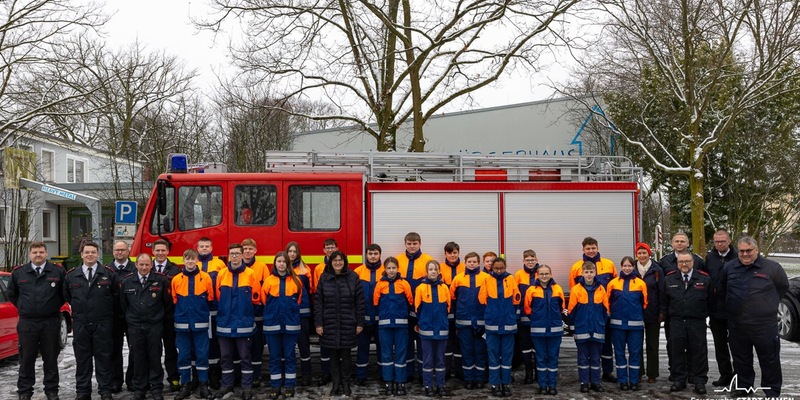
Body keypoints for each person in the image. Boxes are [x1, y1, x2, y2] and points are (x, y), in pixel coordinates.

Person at [721, 236, 789, 397]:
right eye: (741, 251)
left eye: (749, 251)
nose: (745, 254)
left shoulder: (772, 268)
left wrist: (767, 304)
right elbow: (722, 289)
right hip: (738, 324)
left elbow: (783, 287)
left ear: (756, 250)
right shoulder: (729, 268)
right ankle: (744, 387)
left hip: (764, 325)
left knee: (769, 359)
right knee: (741, 359)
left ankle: (772, 389)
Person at [8, 242, 66, 400]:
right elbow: (12, 294)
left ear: (46, 253)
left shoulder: (58, 271)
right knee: (26, 358)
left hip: (50, 322)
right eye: (35, 252)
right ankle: (25, 392)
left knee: (51, 358)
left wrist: (50, 307)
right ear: (30, 254)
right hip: (28, 323)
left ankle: (52, 390)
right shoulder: (19, 273)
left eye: (41, 252)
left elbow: (63, 294)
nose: (38, 255)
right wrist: (25, 307)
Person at [63, 241, 118, 400]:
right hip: (81, 324)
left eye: (93, 252)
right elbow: (67, 296)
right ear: (81, 254)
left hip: (103, 323)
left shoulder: (108, 273)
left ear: (98, 254)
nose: (90, 255)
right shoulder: (72, 275)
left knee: (104, 359)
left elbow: (116, 297)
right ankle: (83, 392)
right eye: (87, 252)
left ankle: (105, 391)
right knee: (82, 360)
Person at [120, 253, 173, 400]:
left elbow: (167, 304)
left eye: (147, 264)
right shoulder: (127, 281)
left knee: (155, 357)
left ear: (151, 265)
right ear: (136, 265)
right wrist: (132, 320)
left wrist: (159, 319)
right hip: (135, 326)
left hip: (154, 325)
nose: (144, 267)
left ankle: (156, 388)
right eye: (141, 264)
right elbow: (123, 305)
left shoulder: (161, 280)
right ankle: (139, 388)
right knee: (138, 358)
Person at [214, 243, 261, 400]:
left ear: (242, 255)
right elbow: (217, 297)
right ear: (228, 256)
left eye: (237, 253)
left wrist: (246, 315)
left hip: (244, 324)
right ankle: (227, 384)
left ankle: (246, 386)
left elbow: (256, 298)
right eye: (231, 253)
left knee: (245, 357)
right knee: (226, 357)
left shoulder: (251, 274)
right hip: (225, 323)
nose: (234, 256)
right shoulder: (221, 274)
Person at [315, 250, 365, 397]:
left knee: (346, 355)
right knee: (333, 355)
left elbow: (360, 303)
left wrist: (359, 323)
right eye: (335, 260)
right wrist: (319, 324)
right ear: (330, 262)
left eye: (340, 260)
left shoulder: (353, 277)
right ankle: (336, 384)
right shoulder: (324, 278)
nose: (338, 263)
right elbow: (318, 303)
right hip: (329, 323)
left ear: (345, 262)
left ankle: (346, 383)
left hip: (348, 323)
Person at [567, 237, 617, 382]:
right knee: (587, 347)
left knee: (606, 344)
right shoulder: (576, 267)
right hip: (585, 314)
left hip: (603, 313)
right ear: (583, 250)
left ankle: (607, 372)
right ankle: (587, 376)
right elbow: (574, 290)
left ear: (597, 247)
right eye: (588, 248)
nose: (591, 251)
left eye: (593, 248)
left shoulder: (609, 264)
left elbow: (615, 286)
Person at [662, 251, 710, 395]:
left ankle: (699, 381)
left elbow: (711, 300)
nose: (684, 264)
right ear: (677, 264)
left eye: (687, 261)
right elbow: (665, 301)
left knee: (699, 351)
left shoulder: (704, 278)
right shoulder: (669, 279)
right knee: (676, 351)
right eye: (681, 262)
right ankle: (679, 379)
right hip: (676, 321)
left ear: (693, 262)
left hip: (697, 321)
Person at [172, 249, 214, 400]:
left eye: (192, 259)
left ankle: (203, 384)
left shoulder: (206, 278)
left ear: (197, 260)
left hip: (201, 324)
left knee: (202, 355)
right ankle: (185, 385)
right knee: (183, 356)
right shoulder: (176, 279)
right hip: (182, 324)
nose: (190, 262)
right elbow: (174, 300)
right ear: (183, 261)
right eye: (187, 259)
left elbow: (210, 299)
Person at [262, 251, 303, 399]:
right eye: (278, 261)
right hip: (272, 326)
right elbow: (264, 300)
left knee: (290, 356)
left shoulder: (296, 281)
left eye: (284, 262)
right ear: (275, 263)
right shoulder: (268, 281)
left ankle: (290, 385)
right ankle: (275, 386)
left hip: (290, 326)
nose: (281, 264)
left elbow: (298, 301)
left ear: (288, 264)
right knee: (274, 357)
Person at [479, 257, 520, 398]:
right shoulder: (486, 280)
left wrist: (512, 316)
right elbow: (482, 300)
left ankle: (506, 384)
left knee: (507, 357)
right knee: (493, 357)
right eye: (496, 268)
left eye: (501, 268)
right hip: (492, 325)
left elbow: (516, 301)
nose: (498, 270)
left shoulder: (511, 279)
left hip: (508, 324)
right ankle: (495, 384)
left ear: (505, 267)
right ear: (491, 268)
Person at [395, 232, 434, 382]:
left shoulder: (428, 261)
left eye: (415, 243)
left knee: (424, 343)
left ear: (420, 243)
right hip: (403, 309)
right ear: (405, 243)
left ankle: (425, 374)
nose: (412, 246)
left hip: (423, 310)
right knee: (406, 343)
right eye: (409, 243)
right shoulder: (397, 260)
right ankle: (408, 373)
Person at [606, 256, 648, 391]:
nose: (627, 268)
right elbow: (607, 302)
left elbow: (645, 303)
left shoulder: (641, 283)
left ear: (633, 267)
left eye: (630, 266)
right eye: (625, 266)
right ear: (621, 267)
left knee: (635, 353)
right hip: (617, 325)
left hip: (635, 326)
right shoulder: (613, 283)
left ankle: (634, 381)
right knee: (619, 353)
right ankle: (622, 380)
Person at [523, 264, 565, 396]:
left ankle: (552, 385)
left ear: (551, 274)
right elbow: (527, 308)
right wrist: (537, 319)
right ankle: (542, 385)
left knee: (553, 358)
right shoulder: (531, 290)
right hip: (538, 330)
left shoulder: (557, 288)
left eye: (547, 273)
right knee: (540, 358)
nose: (544, 276)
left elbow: (561, 307)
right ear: (537, 275)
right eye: (541, 274)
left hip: (555, 330)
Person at [567, 261, 609, 393]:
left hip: (597, 329)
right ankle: (584, 382)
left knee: (596, 358)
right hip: (582, 329)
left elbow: (606, 311)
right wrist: (573, 327)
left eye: (591, 272)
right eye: (586, 272)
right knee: (583, 357)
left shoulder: (601, 289)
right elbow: (571, 311)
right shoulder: (576, 289)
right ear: (582, 273)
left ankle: (596, 382)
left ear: (595, 272)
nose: (589, 275)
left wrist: (601, 324)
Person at [374, 256, 413, 395]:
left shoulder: (404, 284)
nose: (391, 271)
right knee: (386, 355)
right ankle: (388, 382)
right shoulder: (380, 284)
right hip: (385, 326)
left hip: (401, 326)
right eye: (389, 268)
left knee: (401, 355)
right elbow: (375, 302)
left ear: (398, 269)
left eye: (394, 268)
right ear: (385, 269)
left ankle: (400, 383)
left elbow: (410, 301)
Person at [450, 251, 489, 390]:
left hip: (481, 322)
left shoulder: (486, 278)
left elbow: (490, 300)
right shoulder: (458, 279)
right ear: (465, 263)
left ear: (478, 263)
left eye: (474, 261)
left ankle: (480, 378)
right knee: (467, 352)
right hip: (463, 322)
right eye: (469, 261)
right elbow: (452, 300)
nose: (472, 264)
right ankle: (468, 378)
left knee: (480, 351)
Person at [704, 229, 736, 386]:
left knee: (737, 345)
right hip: (716, 309)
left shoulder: (738, 256)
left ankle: (739, 376)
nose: (719, 244)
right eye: (716, 241)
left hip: (735, 309)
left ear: (729, 241)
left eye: (722, 241)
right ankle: (725, 375)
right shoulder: (710, 257)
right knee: (720, 345)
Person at [416, 260, 451, 397]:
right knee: (428, 360)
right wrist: (423, 322)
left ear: (439, 271)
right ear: (426, 271)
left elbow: (448, 308)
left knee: (440, 360)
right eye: (430, 269)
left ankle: (441, 385)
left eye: (435, 269)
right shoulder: (420, 288)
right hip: (426, 330)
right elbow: (417, 309)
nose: (433, 272)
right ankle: (428, 385)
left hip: (441, 329)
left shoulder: (444, 288)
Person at [196, 237, 227, 389]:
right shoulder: (193, 263)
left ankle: (215, 375)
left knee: (214, 342)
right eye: (201, 246)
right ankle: (199, 376)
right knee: (200, 343)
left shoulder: (219, 264)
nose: (204, 249)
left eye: (207, 246)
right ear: (197, 248)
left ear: (212, 248)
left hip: (214, 309)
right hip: (198, 310)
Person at [151, 239, 182, 392]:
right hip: (151, 319)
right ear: (153, 252)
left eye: (163, 250)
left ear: (168, 252)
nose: (160, 253)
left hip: (169, 318)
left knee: (171, 350)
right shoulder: (146, 268)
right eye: (157, 250)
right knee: (153, 351)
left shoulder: (175, 270)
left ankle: (174, 378)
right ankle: (154, 380)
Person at [106, 241, 136, 393]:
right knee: (114, 350)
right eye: (117, 250)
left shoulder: (136, 269)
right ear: (113, 252)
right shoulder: (106, 270)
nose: (119, 253)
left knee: (135, 349)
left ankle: (133, 380)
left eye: (122, 250)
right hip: (113, 317)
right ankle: (115, 381)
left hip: (132, 316)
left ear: (128, 251)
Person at [633, 242, 664, 384]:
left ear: (649, 253)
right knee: (636, 344)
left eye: (644, 252)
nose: (642, 255)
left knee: (652, 344)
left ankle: (652, 374)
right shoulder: (632, 269)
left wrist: (662, 311)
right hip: (636, 313)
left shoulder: (657, 270)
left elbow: (662, 292)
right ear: (636, 254)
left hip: (653, 312)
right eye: (639, 253)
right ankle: (637, 372)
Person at [354, 243, 384, 385]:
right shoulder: (358, 272)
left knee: (383, 349)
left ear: (380, 255)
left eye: (375, 254)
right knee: (362, 349)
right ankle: (361, 376)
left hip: (381, 320)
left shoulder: (386, 271)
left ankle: (383, 374)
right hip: (364, 320)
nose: (373, 256)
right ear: (366, 255)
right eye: (370, 254)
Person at [242, 238, 269, 388]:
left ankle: (256, 375)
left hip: (257, 313)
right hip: (241, 314)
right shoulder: (235, 267)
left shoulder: (262, 267)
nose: (247, 251)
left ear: (255, 251)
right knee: (242, 348)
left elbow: (265, 289)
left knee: (257, 347)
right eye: (245, 249)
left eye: (250, 249)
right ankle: (243, 375)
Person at [285, 241, 313, 386]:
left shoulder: (305, 270)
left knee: (304, 345)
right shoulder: (281, 268)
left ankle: (307, 374)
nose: (292, 254)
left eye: (294, 252)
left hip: (302, 313)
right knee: (288, 346)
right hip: (287, 314)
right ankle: (289, 374)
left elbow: (309, 290)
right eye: (289, 251)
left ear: (298, 253)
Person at [311, 238, 338, 386]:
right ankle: (325, 374)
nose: (330, 250)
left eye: (332, 247)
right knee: (324, 346)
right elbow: (317, 292)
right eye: (327, 247)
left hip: (339, 312)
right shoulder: (319, 269)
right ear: (323, 250)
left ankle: (337, 374)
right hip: (326, 312)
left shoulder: (342, 266)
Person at [514, 249, 539, 384]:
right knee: (525, 346)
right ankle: (528, 373)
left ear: (536, 259)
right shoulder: (518, 275)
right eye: (527, 260)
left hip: (538, 319)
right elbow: (515, 296)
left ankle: (538, 373)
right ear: (523, 261)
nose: (530, 262)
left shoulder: (541, 273)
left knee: (538, 347)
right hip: (523, 319)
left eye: (532, 259)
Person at [440, 242, 464, 380]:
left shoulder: (465, 268)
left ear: (458, 253)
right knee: (447, 343)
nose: (452, 255)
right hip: (446, 311)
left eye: (455, 252)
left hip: (461, 310)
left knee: (460, 342)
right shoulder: (440, 269)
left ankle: (461, 371)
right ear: (445, 254)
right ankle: (446, 371)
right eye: (450, 253)